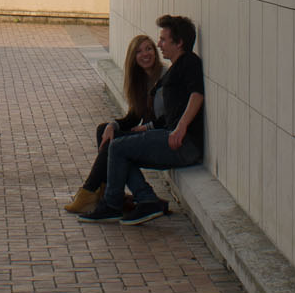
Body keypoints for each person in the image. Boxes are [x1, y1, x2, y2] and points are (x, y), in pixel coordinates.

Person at [78, 14, 205, 226]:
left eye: (164, 40)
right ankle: (146, 199)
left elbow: (197, 95)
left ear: (179, 42)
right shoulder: (175, 68)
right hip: (171, 138)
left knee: (117, 148)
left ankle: (112, 204)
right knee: (119, 149)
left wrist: (181, 128)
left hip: (184, 144)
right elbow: (136, 114)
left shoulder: (189, 62)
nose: (159, 45)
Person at [63, 34, 166, 215]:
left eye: (149, 48)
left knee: (116, 146)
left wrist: (147, 127)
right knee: (105, 130)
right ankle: (106, 192)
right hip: (150, 134)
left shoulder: (165, 77)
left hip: (161, 135)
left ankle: (92, 191)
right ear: (133, 58)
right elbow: (133, 118)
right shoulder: (141, 80)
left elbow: (169, 117)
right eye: (139, 51)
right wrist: (113, 125)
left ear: (155, 52)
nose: (145, 54)